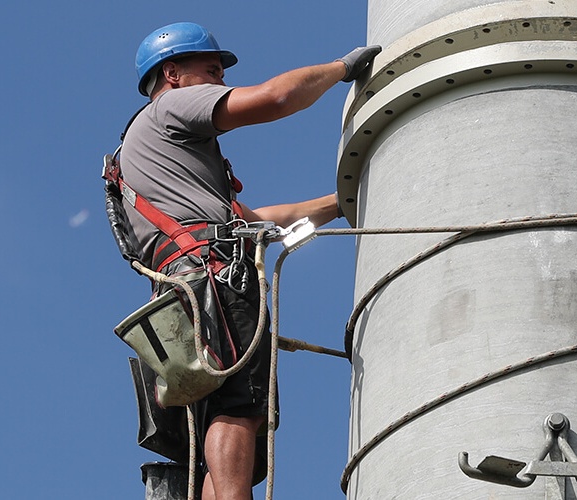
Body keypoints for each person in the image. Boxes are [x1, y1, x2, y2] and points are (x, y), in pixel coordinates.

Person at [114, 21, 379, 500]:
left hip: (182, 295)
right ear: (172, 73)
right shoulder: (170, 107)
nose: (219, 81)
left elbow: (260, 221)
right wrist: (341, 69)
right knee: (239, 408)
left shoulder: (164, 166)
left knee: (215, 421)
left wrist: (343, 200)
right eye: (211, 70)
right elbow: (273, 98)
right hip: (215, 281)